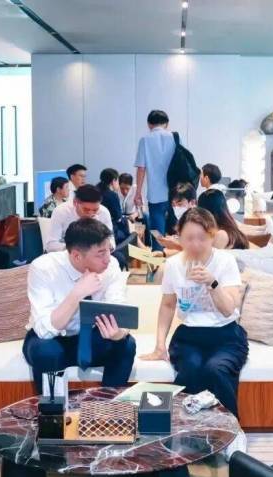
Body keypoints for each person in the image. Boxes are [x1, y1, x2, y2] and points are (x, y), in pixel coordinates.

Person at [140, 208, 248, 417]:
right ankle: (185, 428)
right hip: (189, 336)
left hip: (226, 336)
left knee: (215, 370)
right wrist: (160, 345)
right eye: (189, 238)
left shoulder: (225, 261)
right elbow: (168, 305)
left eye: (202, 238)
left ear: (212, 236)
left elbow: (228, 310)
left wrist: (212, 283)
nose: (195, 244)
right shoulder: (173, 265)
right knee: (190, 368)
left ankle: (226, 429)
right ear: (179, 237)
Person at [23, 218, 136, 393]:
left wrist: (118, 333)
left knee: (126, 345)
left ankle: (107, 404)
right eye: (100, 254)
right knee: (47, 352)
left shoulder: (111, 265)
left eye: (109, 250)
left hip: (90, 337)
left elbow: (119, 307)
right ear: (76, 255)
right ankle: (54, 409)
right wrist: (77, 293)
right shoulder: (44, 268)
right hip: (54, 338)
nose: (108, 259)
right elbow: (44, 330)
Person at [134, 110, 176, 245]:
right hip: (175, 192)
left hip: (155, 194)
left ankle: (158, 253)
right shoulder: (175, 137)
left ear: (149, 124)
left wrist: (138, 193)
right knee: (178, 230)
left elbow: (141, 168)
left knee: (157, 232)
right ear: (167, 124)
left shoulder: (145, 140)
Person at [47, 184, 113, 252]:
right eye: (86, 210)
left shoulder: (103, 212)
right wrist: (77, 249)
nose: (90, 214)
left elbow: (111, 240)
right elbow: (51, 245)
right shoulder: (61, 212)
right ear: (75, 203)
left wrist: (108, 245)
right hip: (66, 253)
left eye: (95, 210)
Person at [96, 168, 129, 244]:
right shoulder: (112, 195)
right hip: (109, 231)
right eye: (117, 181)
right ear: (113, 181)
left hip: (95, 228)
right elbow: (118, 218)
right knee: (131, 231)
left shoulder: (95, 190)